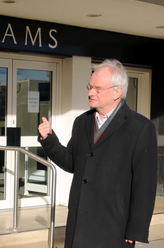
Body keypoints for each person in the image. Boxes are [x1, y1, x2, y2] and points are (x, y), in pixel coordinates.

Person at [38, 59, 157, 248]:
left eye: (97, 88)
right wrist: (49, 140)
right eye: (90, 86)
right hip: (79, 224)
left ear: (117, 92)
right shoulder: (81, 122)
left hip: (113, 228)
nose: (90, 92)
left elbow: (145, 185)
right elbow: (71, 162)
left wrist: (136, 229)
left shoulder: (141, 128)